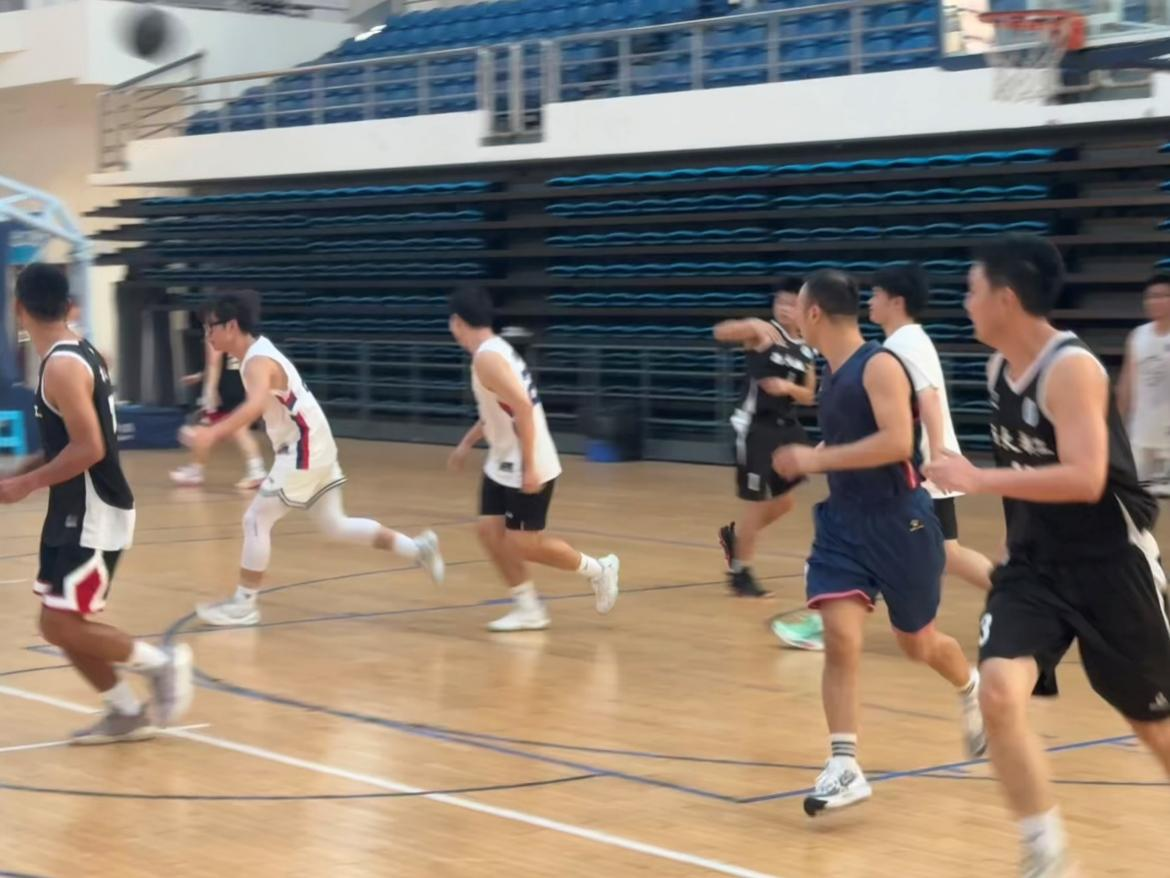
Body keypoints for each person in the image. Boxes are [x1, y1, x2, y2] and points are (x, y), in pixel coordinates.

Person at [926, 236, 1170, 878]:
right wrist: (1011, 546)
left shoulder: (1072, 368)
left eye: (973, 291)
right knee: (999, 693)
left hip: (1111, 565)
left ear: (1006, 299)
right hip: (1037, 566)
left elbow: (1086, 479)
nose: (966, 303)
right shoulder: (996, 371)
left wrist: (975, 479)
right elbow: (1024, 475)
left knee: (1154, 728)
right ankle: (1047, 855)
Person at [772, 269, 985, 817]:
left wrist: (817, 457)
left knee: (919, 644)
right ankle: (844, 764)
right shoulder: (831, 371)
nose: (792, 318)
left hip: (899, 523)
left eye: (798, 308)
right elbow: (851, 439)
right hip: (843, 525)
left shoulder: (880, 364)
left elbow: (895, 442)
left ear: (815, 312)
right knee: (841, 638)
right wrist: (818, 453)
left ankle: (971, 686)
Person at [0, 263, 193, 743]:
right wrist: (19, 474)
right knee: (58, 623)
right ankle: (125, 711)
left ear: (18, 308)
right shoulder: (77, 352)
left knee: (61, 623)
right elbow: (67, 443)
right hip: (74, 508)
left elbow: (89, 448)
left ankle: (162, 664)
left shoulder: (62, 365)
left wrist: (28, 484)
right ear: (69, 305)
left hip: (93, 510)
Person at [180, 294, 444, 626]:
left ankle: (244, 605)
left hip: (303, 448)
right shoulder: (254, 355)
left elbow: (253, 407)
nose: (207, 335)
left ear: (231, 326)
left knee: (256, 520)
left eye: (210, 327)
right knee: (335, 524)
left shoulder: (258, 361)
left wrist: (211, 434)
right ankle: (418, 549)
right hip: (316, 443)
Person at [447, 286, 619, 631]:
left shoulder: (488, 358)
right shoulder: (491, 351)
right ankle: (528, 608)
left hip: (528, 459)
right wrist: (466, 444)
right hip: (502, 459)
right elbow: (497, 410)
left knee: (524, 544)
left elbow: (523, 408)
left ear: (458, 322)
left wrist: (530, 466)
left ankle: (599, 569)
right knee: (489, 532)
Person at [869, 264, 994, 590]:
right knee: (945, 553)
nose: (870, 301)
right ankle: (1016, 599)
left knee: (939, 553)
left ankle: (1017, 599)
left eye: (876, 294)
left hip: (923, 472)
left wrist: (935, 458)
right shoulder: (908, 341)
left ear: (896, 302)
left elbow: (930, 399)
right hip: (921, 471)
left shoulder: (905, 344)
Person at [713, 278, 817, 600]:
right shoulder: (762, 332)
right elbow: (720, 332)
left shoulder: (806, 346)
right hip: (755, 426)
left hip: (787, 427)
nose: (784, 309)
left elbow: (809, 395)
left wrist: (788, 388)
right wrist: (749, 323)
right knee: (757, 504)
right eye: (780, 302)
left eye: (792, 304)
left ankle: (737, 537)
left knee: (785, 502)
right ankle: (740, 574)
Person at [171, 329, 267, 490]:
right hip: (240, 385)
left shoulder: (214, 333)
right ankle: (197, 470)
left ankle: (256, 471)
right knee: (233, 430)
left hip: (224, 391)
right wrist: (199, 376)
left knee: (231, 430)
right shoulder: (241, 336)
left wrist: (210, 392)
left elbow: (213, 363)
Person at [1116, 274, 1170, 496]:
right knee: (1139, 500)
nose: (1154, 301)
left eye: (1162, 296)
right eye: (1150, 297)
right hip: (1141, 435)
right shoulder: (1138, 336)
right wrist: (1117, 426)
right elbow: (1126, 385)